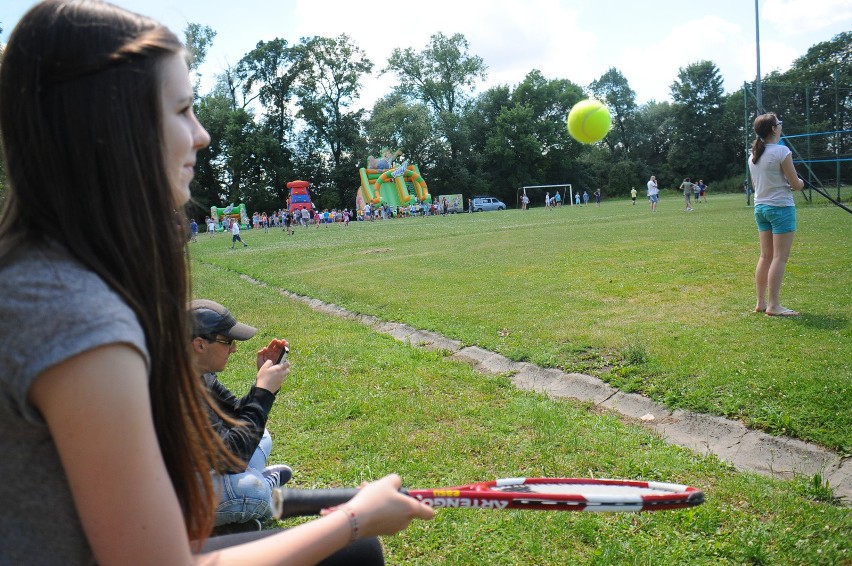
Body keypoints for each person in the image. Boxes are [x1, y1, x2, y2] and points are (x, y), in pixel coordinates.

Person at [0, 2, 433, 564]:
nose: (200, 135)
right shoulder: (77, 317)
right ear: (114, 131)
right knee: (358, 552)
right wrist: (353, 519)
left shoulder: (42, 273)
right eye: (182, 110)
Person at [189, 300, 293, 529]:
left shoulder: (198, 372)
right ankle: (262, 487)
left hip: (203, 467)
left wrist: (263, 387)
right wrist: (262, 393)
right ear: (200, 345)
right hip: (174, 495)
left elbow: (235, 416)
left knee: (262, 435)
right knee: (252, 491)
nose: (234, 348)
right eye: (228, 341)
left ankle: (229, 523)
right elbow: (232, 459)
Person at [749, 112, 804, 317]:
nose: (780, 126)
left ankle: (761, 303)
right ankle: (773, 305)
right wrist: (801, 183)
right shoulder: (782, 151)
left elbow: (759, 185)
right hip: (780, 208)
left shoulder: (753, 155)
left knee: (765, 256)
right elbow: (795, 184)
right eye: (779, 123)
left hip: (761, 209)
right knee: (780, 257)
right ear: (773, 129)